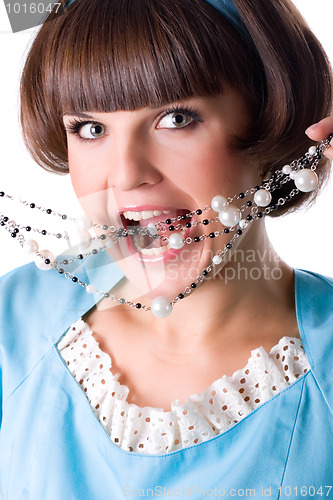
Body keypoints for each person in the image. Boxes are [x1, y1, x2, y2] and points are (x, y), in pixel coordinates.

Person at [0, 0, 332, 498]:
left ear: (271, 120)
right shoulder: (15, 321)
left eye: (176, 118)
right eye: (90, 129)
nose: (127, 173)